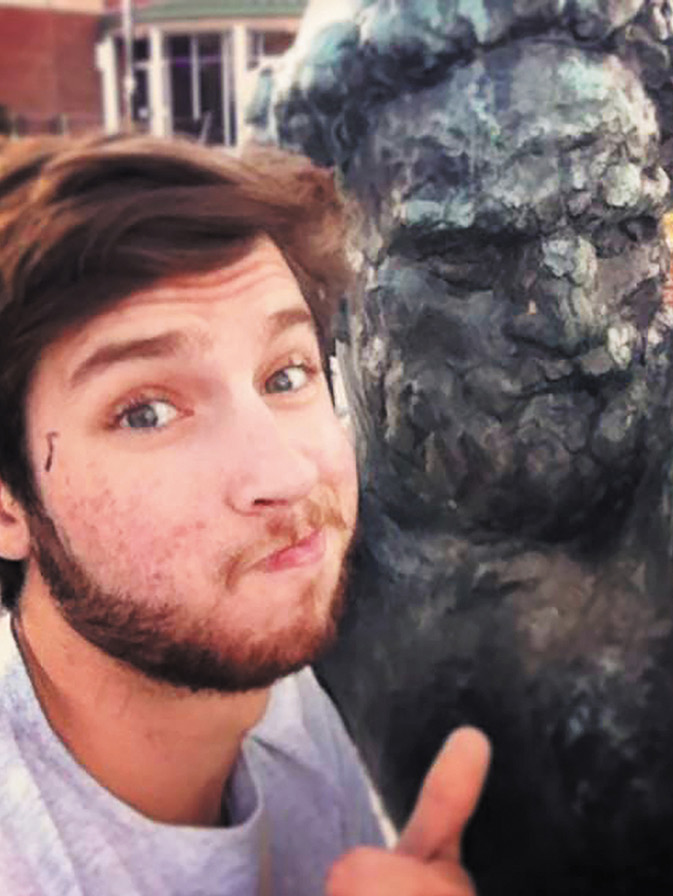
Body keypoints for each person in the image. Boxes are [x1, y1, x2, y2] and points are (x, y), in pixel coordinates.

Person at [0, 134, 487, 895]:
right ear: (7, 505)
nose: (285, 475)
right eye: (147, 412)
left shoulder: (262, 686)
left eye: (287, 373)